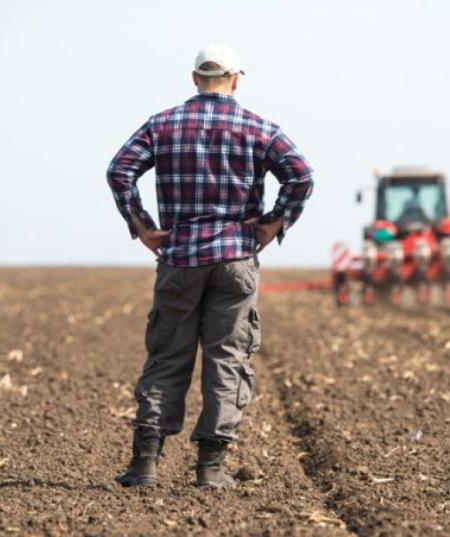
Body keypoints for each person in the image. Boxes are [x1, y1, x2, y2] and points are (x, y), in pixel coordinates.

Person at [106, 43, 313, 488]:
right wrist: (274, 223)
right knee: (228, 359)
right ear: (236, 80)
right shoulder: (260, 128)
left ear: (195, 78)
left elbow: (119, 170)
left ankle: (145, 466)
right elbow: (301, 175)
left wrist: (142, 226)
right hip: (235, 258)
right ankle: (212, 468)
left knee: (167, 357)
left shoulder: (162, 125)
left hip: (179, 257)